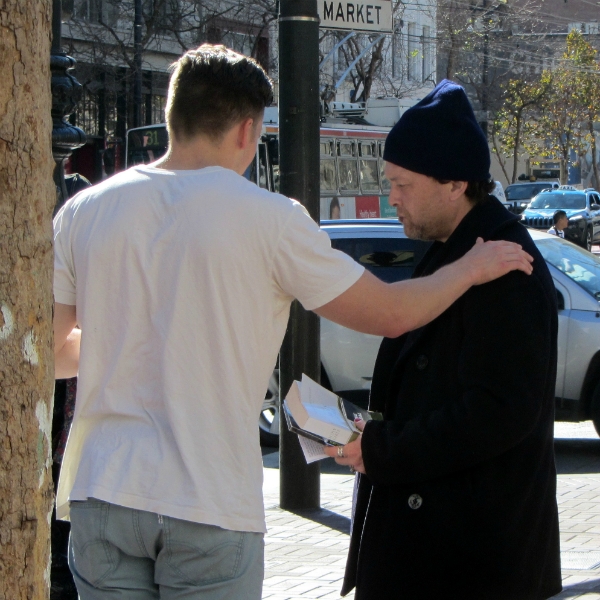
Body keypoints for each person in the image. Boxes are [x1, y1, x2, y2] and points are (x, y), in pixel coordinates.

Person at [53, 50, 533, 600]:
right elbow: (393, 314)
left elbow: (50, 351)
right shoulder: (270, 218)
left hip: (102, 490)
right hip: (206, 499)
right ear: (246, 129)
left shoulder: (83, 211)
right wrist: (471, 267)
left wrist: (131, 338)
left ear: (171, 115)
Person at [325, 80, 561, 600]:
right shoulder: (458, 249)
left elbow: (500, 411)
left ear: (456, 184)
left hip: (469, 562)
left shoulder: (503, 264)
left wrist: (386, 450)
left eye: (404, 184)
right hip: (444, 552)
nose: (392, 198)